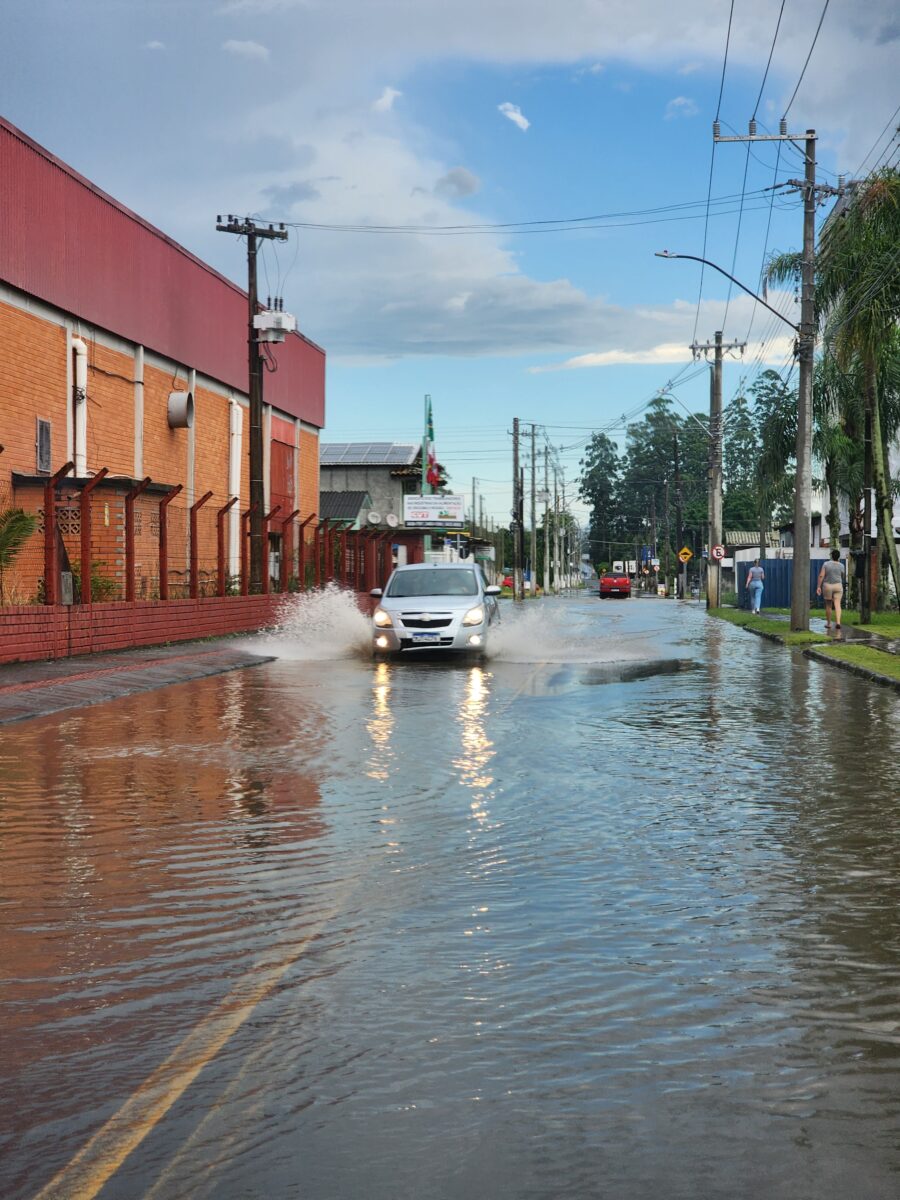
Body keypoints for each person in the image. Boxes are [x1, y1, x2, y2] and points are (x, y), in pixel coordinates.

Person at [817, 549, 846, 631]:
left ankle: (829, 623)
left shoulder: (826, 564)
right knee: (837, 604)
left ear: (832, 556)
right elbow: (843, 576)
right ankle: (838, 622)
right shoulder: (842, 565)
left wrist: (818, 586)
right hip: (838, 586)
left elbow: (821, 576)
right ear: (838, 557)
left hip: (827, 586)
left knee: (828, 605)